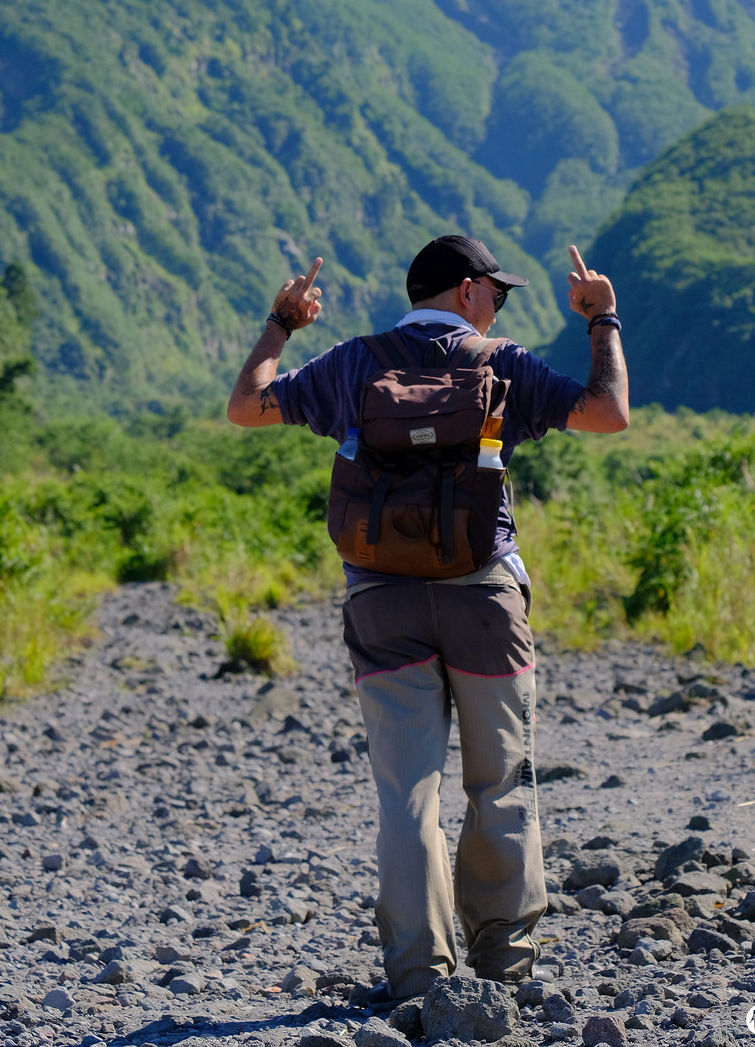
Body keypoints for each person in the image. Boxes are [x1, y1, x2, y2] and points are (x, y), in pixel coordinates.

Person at [227, 234, 628, 1000]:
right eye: (498, 294)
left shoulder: (352, 362)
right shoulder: (501, 363)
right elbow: (607, 414)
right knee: (501, 782)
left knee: (409, 791)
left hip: (382, 601)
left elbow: (247, 406)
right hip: (484, 597)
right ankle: (504, 969)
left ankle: (417, 974)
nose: (499, 307)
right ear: (468, 291)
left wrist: (282, 324)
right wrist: (602, 320)